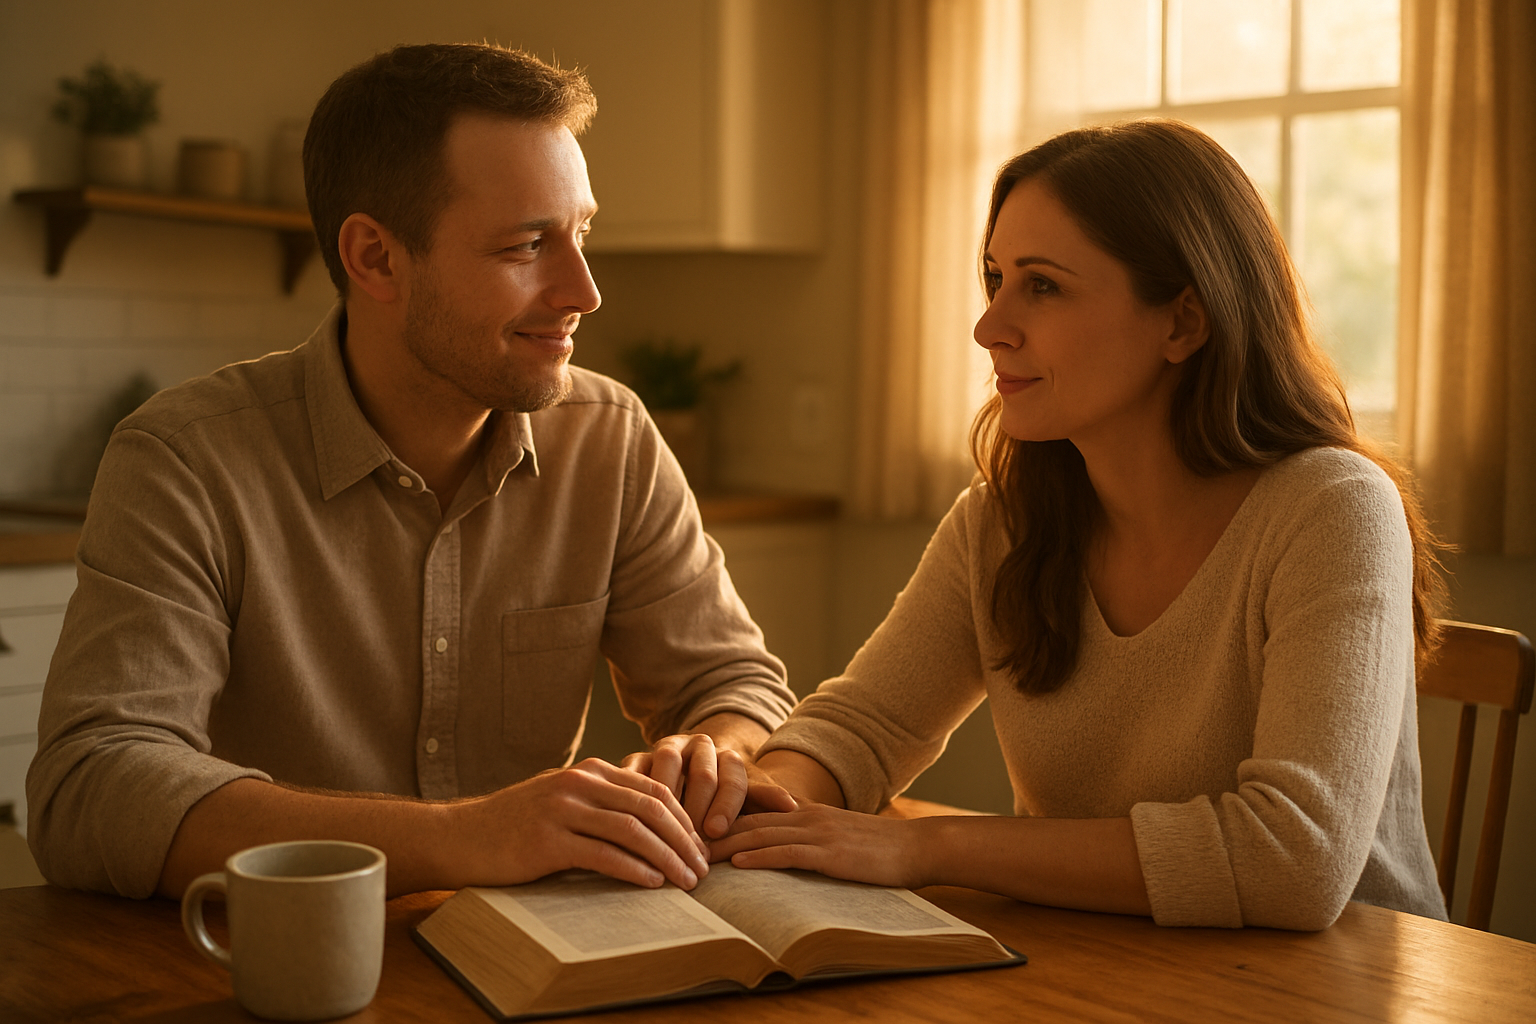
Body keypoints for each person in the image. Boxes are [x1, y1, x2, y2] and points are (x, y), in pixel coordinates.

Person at [26, 43, 797, 901]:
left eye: (581, 233)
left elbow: (730, 684)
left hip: (548, 958)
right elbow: (91, 786)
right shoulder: (187, 459)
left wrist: (712, 752)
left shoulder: (609, 437)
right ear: (376, 259)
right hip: (273, 965)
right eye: (526, 245)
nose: (584, 290)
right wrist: (466, 837)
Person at [714, 119, 1450, 930]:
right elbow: (863, 727)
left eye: (1043, 285)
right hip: (1091, 971)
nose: (989, 326)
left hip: (1338, 990)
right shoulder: (1002, 520)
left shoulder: (1332, 509)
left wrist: (929, 848)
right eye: (994, 278)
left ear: (1183, 322)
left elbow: (1291, 861)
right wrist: (754, 803)